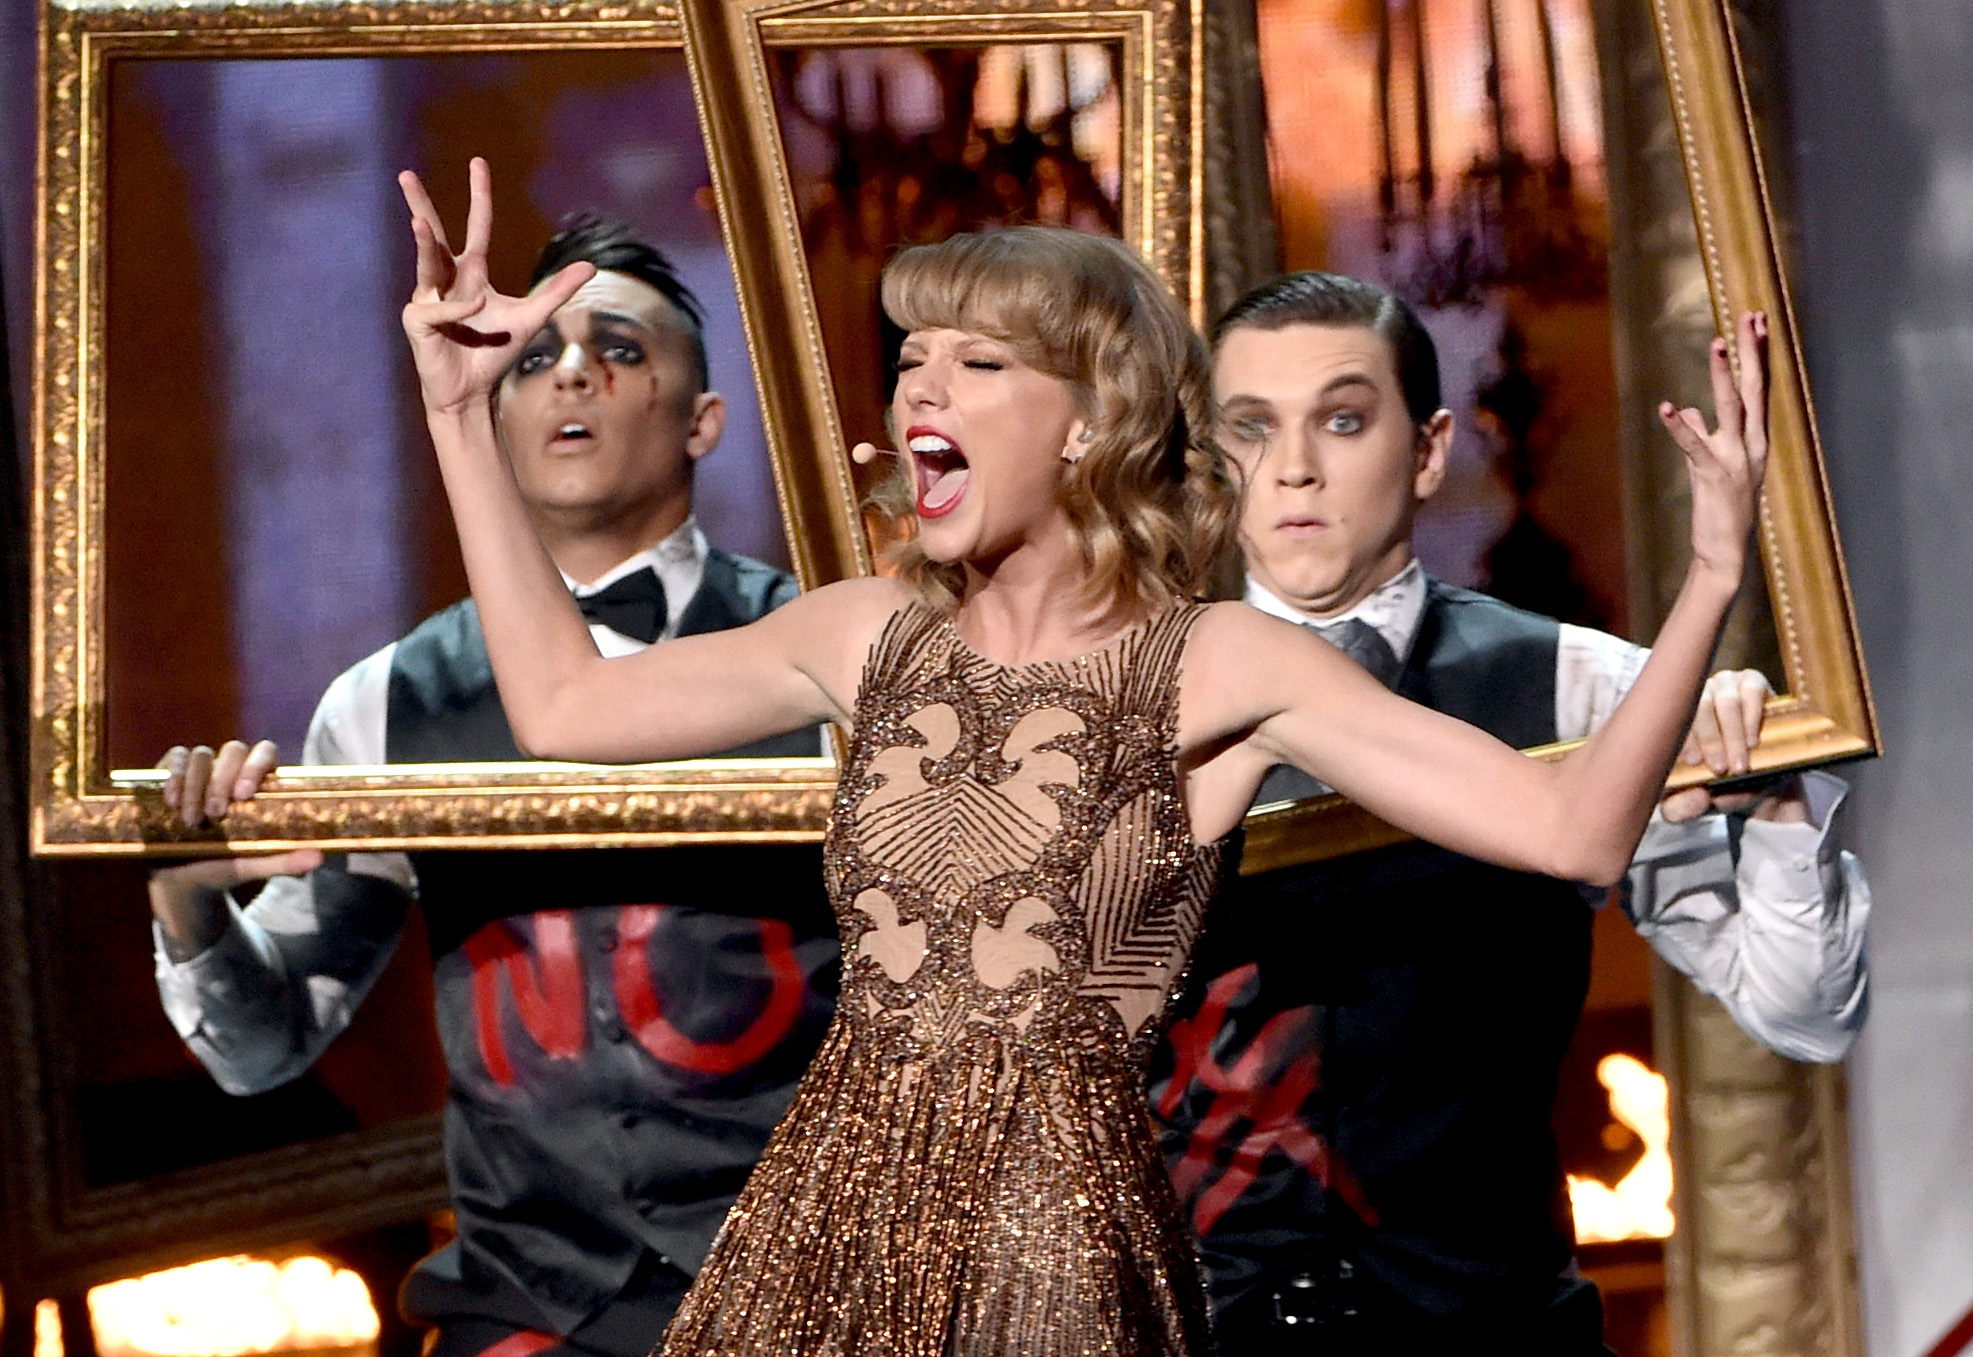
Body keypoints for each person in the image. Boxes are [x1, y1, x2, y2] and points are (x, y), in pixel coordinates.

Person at [386, 159, 1770, 1357]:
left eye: (977, 364)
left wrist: (1710, 576)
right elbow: (561, 705)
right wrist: (456, 413)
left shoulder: (1216, 662)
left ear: (1093, 418)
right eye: (913, 360)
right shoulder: (864, 633)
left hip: (1048, 1258)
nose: (922, 385)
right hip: (819, 1229)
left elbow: (1574, 829)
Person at [148, 216, 837, 1357]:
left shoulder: (829, 661)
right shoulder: (387, 699)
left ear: (703, 421)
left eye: (620, 349)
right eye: (532, 357)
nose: (570, 372)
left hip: (821, 1291)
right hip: (527, 1306)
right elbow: (262, 1048)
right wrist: (186, 898)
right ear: (494, 414)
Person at [1148, 270, 1869, 1355]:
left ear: (1428, 449)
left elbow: (1802, 1010)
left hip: (1495, 1328)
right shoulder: (1135, 709)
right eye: (1252, 427)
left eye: (1341, 421)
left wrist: (1768, 792)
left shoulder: (1579, 688)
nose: (1293, 466)